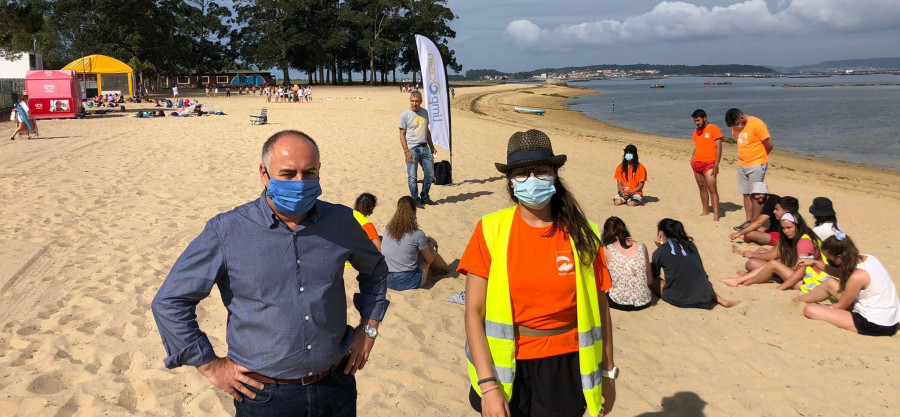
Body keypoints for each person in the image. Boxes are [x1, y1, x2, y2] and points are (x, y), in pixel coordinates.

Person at [151, 130, 389, 416]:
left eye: (309, 172)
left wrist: (369, 327)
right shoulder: (226, 231)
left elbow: (375, 269)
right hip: (264, 396)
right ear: (264, 174)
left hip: (336, 386)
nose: (300, 183)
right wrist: (210, 365)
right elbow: (170, 301)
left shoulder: (340, 221)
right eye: (288, 174)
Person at [460, 129, 616, 417]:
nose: (532, 180)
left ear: (555, 175)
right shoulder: (490, 230)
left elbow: (601, 309)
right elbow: (473, 311)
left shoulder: (585, 234)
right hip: (507, 367)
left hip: (566, 367)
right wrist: (488, 387)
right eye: (521, 173)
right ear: (510, 181)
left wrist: (608, 374)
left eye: (541, 171)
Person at [795, 233, 900, 336]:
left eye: (830, 260)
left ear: (840, 257)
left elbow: (840, 306)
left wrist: (823, 307)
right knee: (830, 283)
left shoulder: (857, 276)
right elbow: (842, 273)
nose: (830, 261)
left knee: (810, 310)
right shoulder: (869, 258)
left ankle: (800, 303)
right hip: (891, 318)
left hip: (875, 323)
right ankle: (797, 301)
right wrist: (815, 263)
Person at [721, 211, 825, 289]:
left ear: (798, 226)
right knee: (767, 262)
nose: (786, 231)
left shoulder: (804, 241)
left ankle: (743, 282)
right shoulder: (802, 236)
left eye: (789, 228)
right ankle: (743, 279)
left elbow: (800, 273)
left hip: (810, 284)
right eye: (783, 228)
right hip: (808, 279)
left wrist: (780, 288)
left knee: (773, 264)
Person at [651, 219, 741, 308]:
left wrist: (659, 248)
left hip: (680, 299)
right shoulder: (690, 245)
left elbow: (654, 274)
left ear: (661, 233)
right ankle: (722, 300)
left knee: (648, 276)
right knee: (697, 279)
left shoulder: (659, 252)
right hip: (705, 296)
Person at [381, 196, 449, 290]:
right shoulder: (417, 234)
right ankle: (446, 270)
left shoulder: (388, 231)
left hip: (387, 279)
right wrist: (429, 244)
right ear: (414, 211)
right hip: (407, 281)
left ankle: (440, 270)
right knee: (427, 254)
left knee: (418, 250)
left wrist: (426, 240)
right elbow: (429, 259)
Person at [725, 108, 774, 229]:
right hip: (743, 164)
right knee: (746, 194)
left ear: (741, 118)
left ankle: (755, 224)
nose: (736, 126)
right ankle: (749, 221)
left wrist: (761, 158)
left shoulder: (756, 124)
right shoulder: (735, 127)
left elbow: (769, 144)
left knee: (756, 195)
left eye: (736, 123)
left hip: (757, 164)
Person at [601, 217, 653, 311]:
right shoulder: (641, 246)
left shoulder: (606, 249)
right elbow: (649, 280)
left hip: (619, 302)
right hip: (644, 300)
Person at [398, 91, 438, 208]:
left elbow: (427, 130)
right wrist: (406, 151)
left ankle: (425, 196)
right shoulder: (405, 115)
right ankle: (415, 200)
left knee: (430, 174)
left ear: (421, 101)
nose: (414, 103)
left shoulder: (424, 112)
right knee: (412, 176)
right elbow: (402, 134)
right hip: (412, 148)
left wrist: (431, 146)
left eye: (416, 101)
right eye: (412, 101)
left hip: (424, 147)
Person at [689, 109, 723, 221]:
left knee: (712, 189)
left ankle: (716, 214)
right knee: (701, 188)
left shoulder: (714, 129)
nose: (696, 123)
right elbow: (697, 146)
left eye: (698, 120)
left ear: (705, 118)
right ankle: (705, 210)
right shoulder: (696, 131)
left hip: (709, 163)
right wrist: (692, 159)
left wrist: (717, 164)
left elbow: (719, 147)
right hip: (697, 163)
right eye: (695, 121)